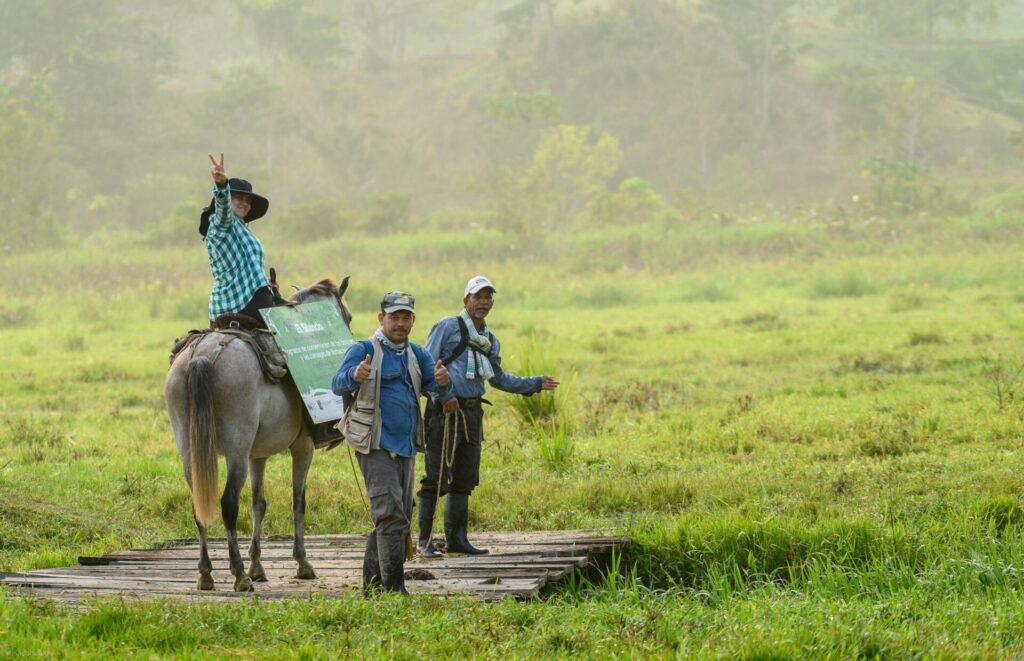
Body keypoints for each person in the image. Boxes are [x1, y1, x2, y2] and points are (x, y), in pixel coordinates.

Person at [418, 276, 559, 557]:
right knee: (436, 476)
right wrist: (442, 397)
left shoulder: (490, 341)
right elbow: (425, 367)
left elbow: (498, 379)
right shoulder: (447, 327)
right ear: (465, 300)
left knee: (465, 478)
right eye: (478, 296)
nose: (483, 302)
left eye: (488, 297)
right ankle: (424, 542)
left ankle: (457, 540)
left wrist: (533, 384)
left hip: (472, 412)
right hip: (446, 413)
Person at [332, 291, 452, 594]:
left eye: (406, 317)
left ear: (412, 320)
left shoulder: (417, 353)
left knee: (398, 515)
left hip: (407, 445)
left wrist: (442, 383)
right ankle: (394, 588)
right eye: (394, 317)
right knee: (390, 514)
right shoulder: (362, 349)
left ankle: (371, 587)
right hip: (374, 444)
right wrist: (353, 375)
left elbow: (432, 388)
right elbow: (336, 382)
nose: (400, 323)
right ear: (381, 318)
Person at [200, 153, 274, 325]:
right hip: (243, 303)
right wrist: (221, 185)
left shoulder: (242, 230)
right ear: (228, 198)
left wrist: (268, 285)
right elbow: (223, 209)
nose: (245, 203)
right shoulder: (221, 223)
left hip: (240, 301)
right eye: (239, 198)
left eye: (248, 200)